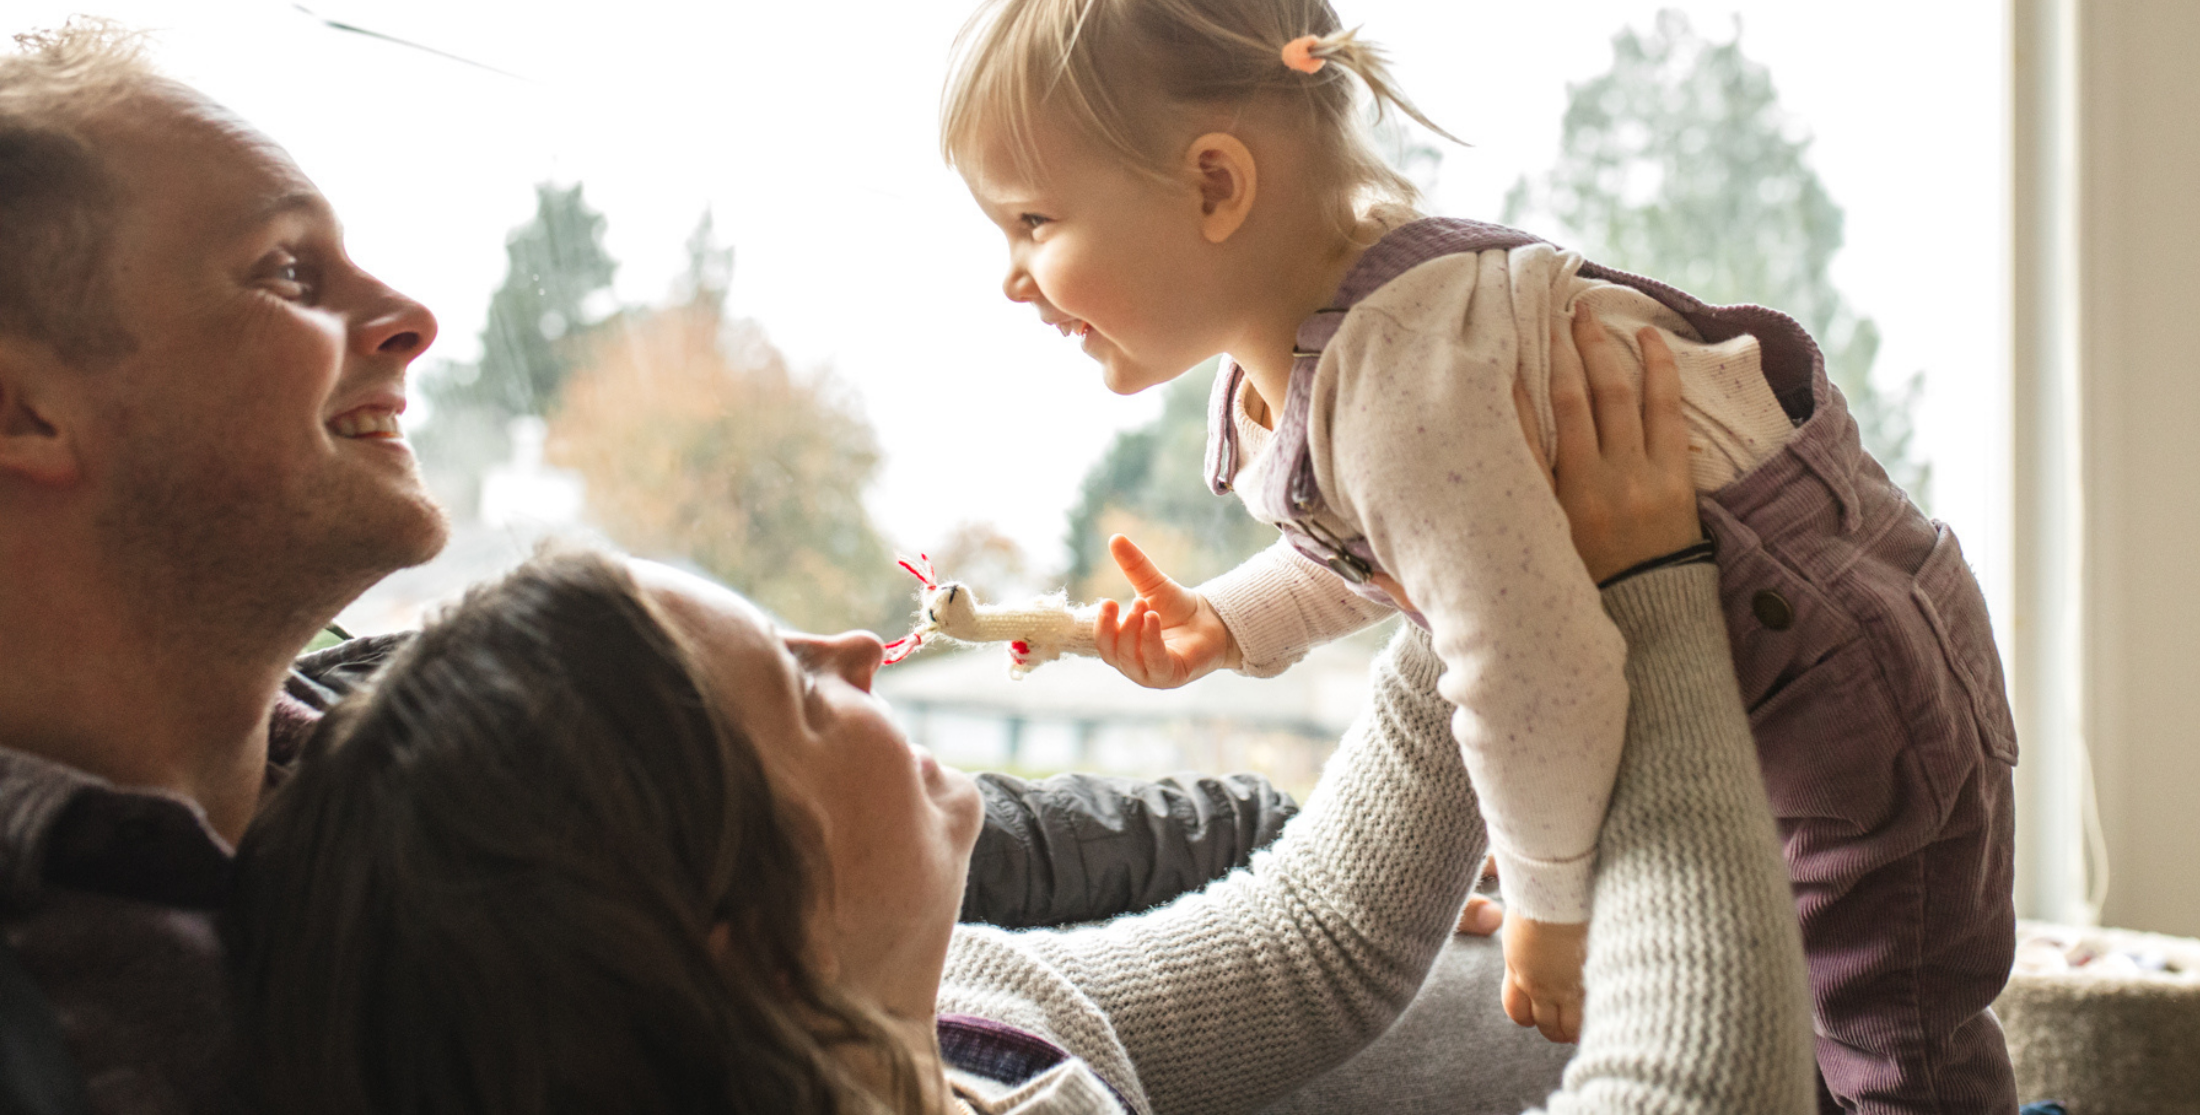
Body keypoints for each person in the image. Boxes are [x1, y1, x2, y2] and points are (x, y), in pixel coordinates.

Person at [940, 0, 2019, 1110]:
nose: (1011, 276)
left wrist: (1551, 912)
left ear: (1212, 183)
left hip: (1839, 665)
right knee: (1799, 1023)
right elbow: (1408, 557)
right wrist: (1229, 623)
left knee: (1887, 1028)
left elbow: (1527, 667)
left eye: (1033, 220)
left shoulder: (1405, 378)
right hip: (1708, 646)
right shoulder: (1321, 365)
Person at [229, 309, 1812, 1115]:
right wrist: (1652, 594)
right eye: (793, 691)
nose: (856, 654)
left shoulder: (958, 1010)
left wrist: (1485, 558)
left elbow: (1311, 945)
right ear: (735, 928)